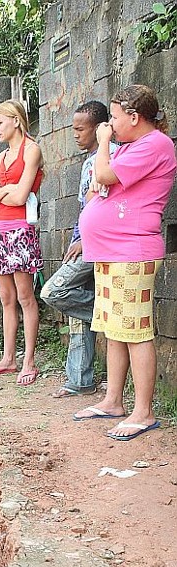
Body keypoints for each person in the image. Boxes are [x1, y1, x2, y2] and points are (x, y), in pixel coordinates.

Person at [75, 84, 176, 440]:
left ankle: (143, 411)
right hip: (112, 251)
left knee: (135, 332)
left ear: (134, 117)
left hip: (131, 252)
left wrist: (103, 145)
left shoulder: (155, 145)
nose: (110, 125)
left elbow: (102, 176)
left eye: (114, 118)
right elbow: (97, 187)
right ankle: (113, 401)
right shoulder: (133, 146)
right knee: (115, 329)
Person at [40, 100, 110, 398]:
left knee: (53, 291)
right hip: (83, 240)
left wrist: (84, 240)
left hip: (98, 243)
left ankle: (109, 316)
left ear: (98, 128)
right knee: (77, 314)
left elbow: (104, 204)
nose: (75, 134)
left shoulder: (108, 157)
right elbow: (85, 207)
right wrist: (76, 238)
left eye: (80, 129)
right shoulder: (88, 160)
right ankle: (80, 379)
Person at [0, 100, 44, 386]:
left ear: (16, 121)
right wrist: (8, 188)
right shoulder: (2, 157)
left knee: (25, 296)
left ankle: (29, 360)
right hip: (1, 229)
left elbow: (21, 199)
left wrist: (1, 191)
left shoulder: (31, 150)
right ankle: (8, 358)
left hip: (20, 229)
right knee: (6, 297)